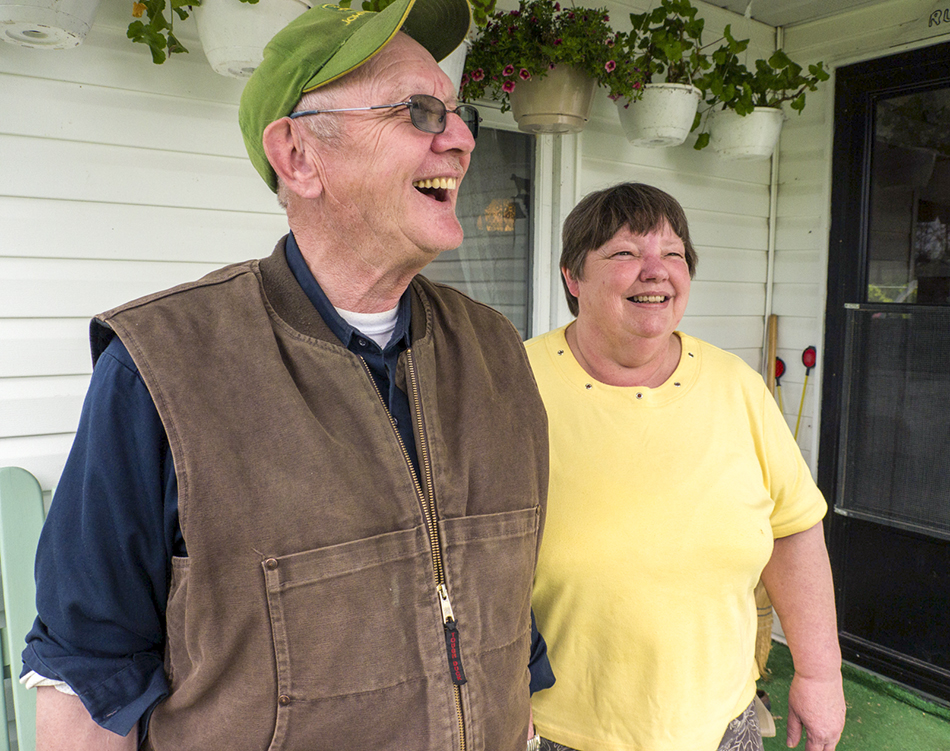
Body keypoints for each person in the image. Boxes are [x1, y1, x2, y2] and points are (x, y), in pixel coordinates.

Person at [21, 1, 553, 748]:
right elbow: (87, 674)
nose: (464, 139)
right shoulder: (161, 368)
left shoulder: (496, 353)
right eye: (422, 112)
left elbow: (504, 618)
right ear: (299, 157)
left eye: (458, 114)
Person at [525, 183, 846, 751]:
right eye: (625, 254)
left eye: (673, 254)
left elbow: (793, 530)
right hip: (556, 728)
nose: (656, 271)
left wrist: (820, 674)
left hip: (723, 724)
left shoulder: (738, 388)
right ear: (573, 279)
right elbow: (456, 554)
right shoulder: (513, 384)